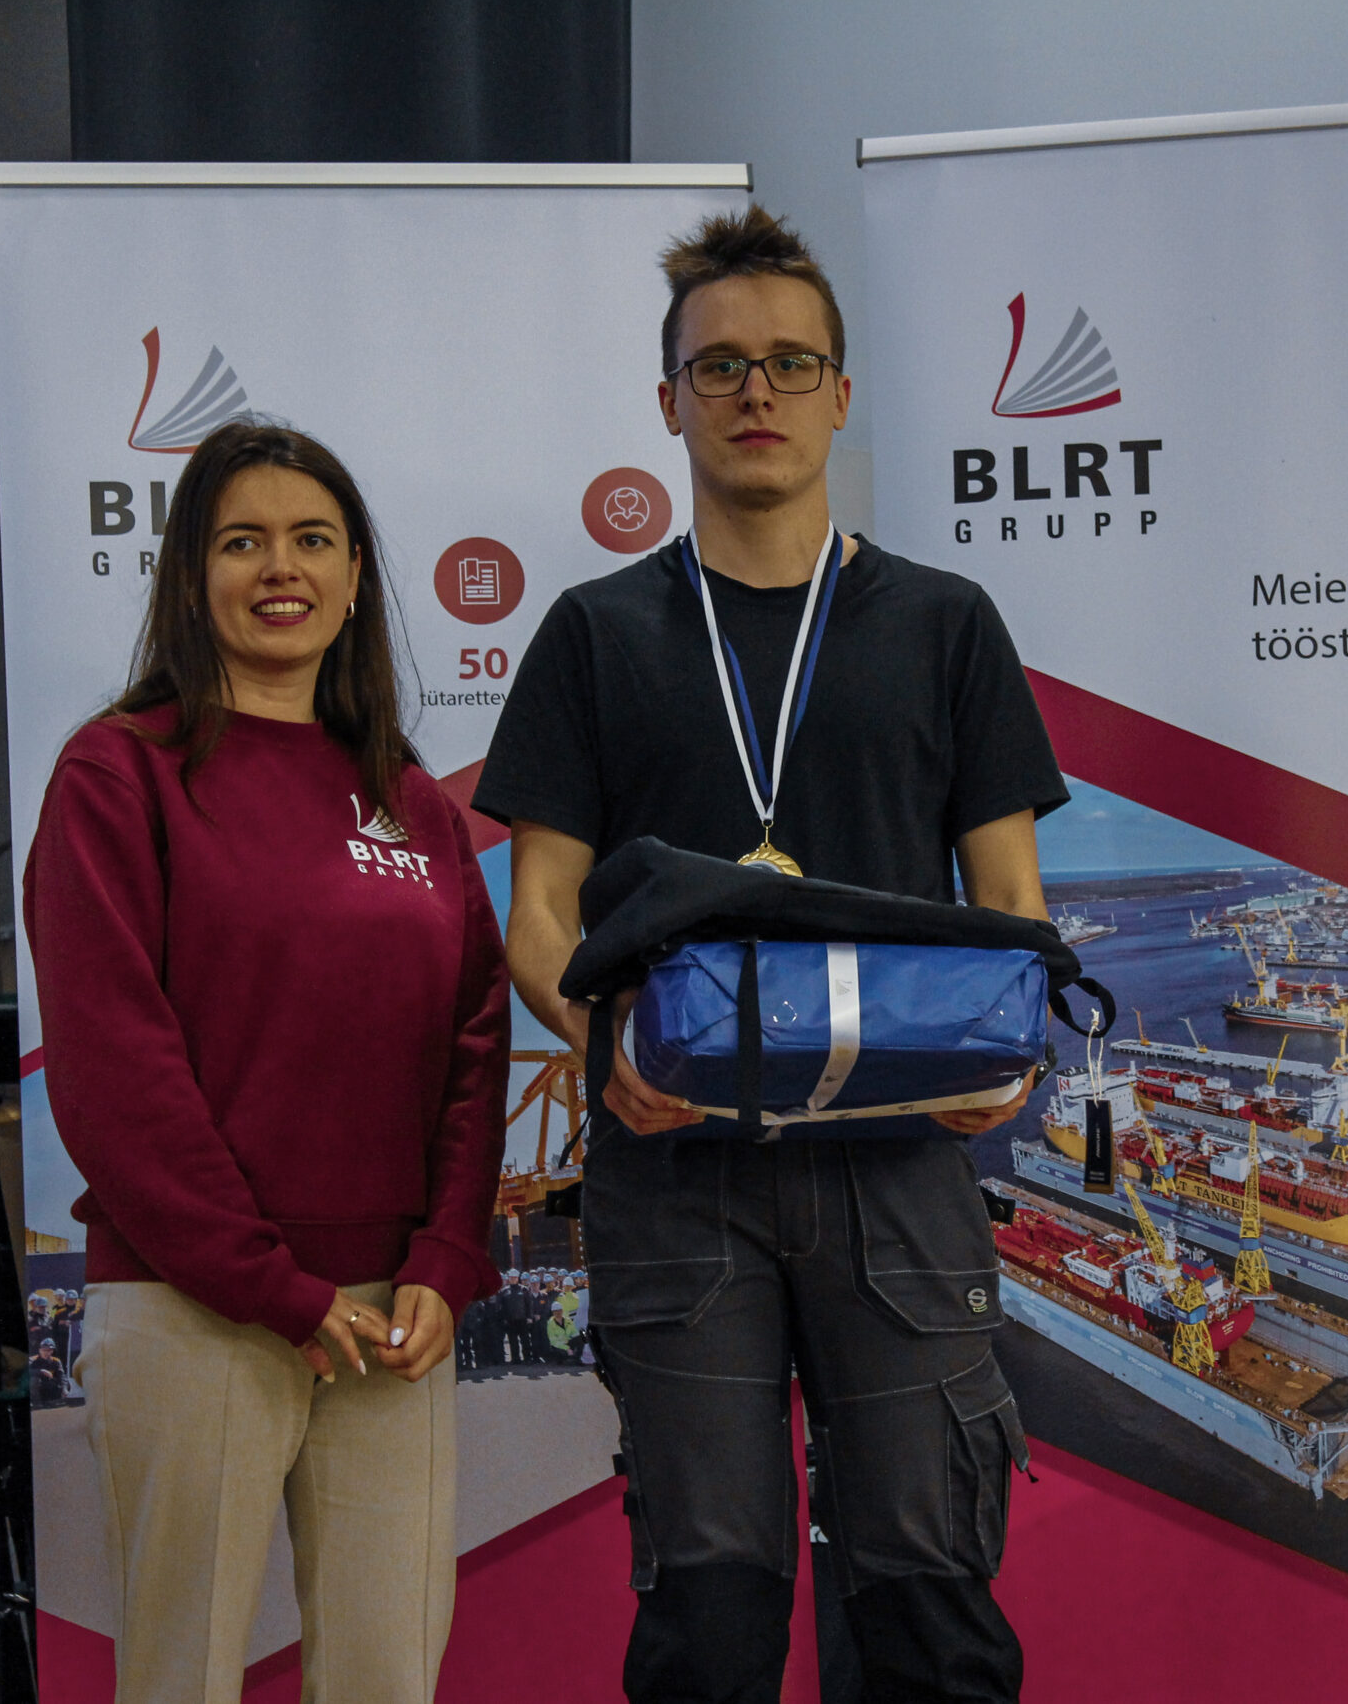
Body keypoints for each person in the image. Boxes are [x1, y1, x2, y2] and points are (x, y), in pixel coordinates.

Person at [475, 206, 1065, 1704]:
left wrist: (1010, 1058)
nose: (757, 391)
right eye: (720, 365)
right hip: (677, 1170)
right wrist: (603, 1047)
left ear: (839, 395)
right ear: (667, 400)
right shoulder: (594, 633)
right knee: (710, 1616)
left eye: (791, 362)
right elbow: (538, 915)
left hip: (898, 1163)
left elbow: (1012, 898)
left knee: (929, 1604)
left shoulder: (946, 624)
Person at [26, 420, 509, 1704]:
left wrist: (445, 1263)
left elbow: (474, 1047)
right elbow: (114, 1068)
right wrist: (267, 1284)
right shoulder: (118, 773)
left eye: (312, 540)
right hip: (197, 1307)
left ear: (354, 580)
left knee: (386, 1679)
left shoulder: (413, 800)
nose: (279, 568)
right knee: (182, 1680)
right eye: (242, 541)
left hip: (392, 1324)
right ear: (191, 579)